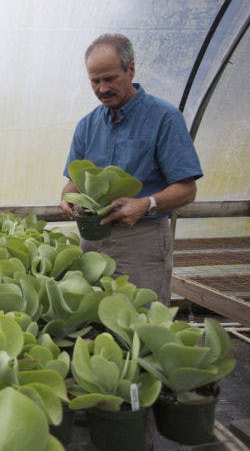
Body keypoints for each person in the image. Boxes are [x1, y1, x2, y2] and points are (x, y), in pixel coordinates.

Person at [60, 33, 203, 305]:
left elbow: (187, 189)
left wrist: (145, 204)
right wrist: (67, 199)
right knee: (95, 320)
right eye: (95, 80)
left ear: (131, 70)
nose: (102, 88)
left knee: (142, 317)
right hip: (93, 241)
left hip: (142, 240)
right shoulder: (87, 125)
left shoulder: (164, 118)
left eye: (110, 78)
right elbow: (73, 183)